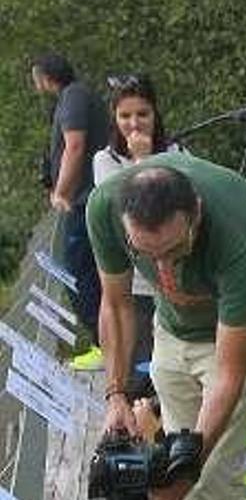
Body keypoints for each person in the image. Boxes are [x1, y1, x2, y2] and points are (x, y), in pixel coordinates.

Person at [88, 153, 246, 499]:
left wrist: (189, 466)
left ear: (196, 210)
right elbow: (116, 305)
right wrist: (116, 393)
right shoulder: (104, 206)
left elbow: (227, 375)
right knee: (173, 454)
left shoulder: (239, 232)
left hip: (238, 333)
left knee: (210, 475)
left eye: (175, 249)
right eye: (146, 254)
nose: (163, 270)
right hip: (174, 325)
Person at [92, 73, 186, 372]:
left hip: (177, 280)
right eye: (125, 115)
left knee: (175, 371)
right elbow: (128, 209)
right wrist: (140, 161)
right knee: (140, 372)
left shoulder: (177, 153)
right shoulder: (104, 160)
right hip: (135, 285)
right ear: (115, 118)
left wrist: (149, 158)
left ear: (155, 115)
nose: (134, 123)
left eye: (142, 114)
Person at [30, 53, 110, 370]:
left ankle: (104, 345)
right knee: (91, 273)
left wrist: (62, 192)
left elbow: (75, 145)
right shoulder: (74, 96)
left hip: (83, 200)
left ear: (45, 75)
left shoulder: (74, 97)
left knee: (75, 272)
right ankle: (107, 343)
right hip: (85, 198)